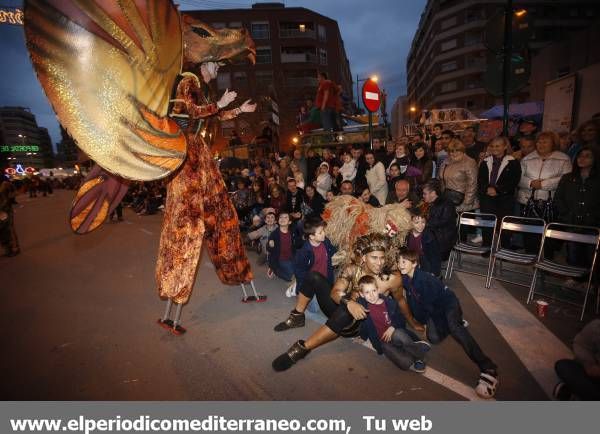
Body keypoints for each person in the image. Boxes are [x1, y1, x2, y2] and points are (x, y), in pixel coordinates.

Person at [272, 233, 424, 372]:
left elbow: (401, 300)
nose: (380, 262)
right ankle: (297, 316)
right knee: (314, 277)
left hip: (358, 323)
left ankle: (303, 348)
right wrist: (349, 302)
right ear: (364, 257)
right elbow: (335, 292)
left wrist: (412, 321)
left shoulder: (392, 277)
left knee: (345, 310)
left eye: (382, 258)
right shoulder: (351, 269)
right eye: (374, 257)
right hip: (343, 307)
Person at [397, 248, 499, 398]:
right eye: (398, 261)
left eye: (403, 261)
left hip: (448, 305)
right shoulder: (406, 278)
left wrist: (427, 324)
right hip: (435, 309)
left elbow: (433, 308)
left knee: (454, 328)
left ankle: (488, 367)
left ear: (414, 264)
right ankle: (455, 323)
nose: (400, 264)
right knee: (434, 338)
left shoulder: (424, 280)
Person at [357, 275, 430, 373]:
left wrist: (392, 327)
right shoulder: (363, 307)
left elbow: (401, 320)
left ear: (378, 290)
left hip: (395, 333)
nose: (371, 295)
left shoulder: (390, 303)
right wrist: (362, 336)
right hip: (383, 342)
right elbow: (365, 325)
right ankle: (416, 347)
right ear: (362, 294)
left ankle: (419, 356)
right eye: (367, 292)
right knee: (405, 364)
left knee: (399, 334)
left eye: (374, 291)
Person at [517, 131, 572, 253]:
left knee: (549, 233)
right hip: (527, 201)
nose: (541, 144)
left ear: (553, 143)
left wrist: (543, 184)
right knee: (529, 231)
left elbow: (566, 180)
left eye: (545, 142)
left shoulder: (563, 159)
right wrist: (531, 183)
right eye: (539, 141)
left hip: (551, 202)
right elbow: (518, 177)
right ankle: (530, 254)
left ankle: (546, 257)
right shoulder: (527, 158)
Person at [555, 147, 600, 280]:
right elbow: (559, 198)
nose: (582, 159)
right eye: (580, 156)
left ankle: (591, 281)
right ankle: (575, 279)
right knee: (573, 251)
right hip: (572, 220)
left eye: (587, 156)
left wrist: (593, 216)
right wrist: (567, 214)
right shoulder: (568, 178)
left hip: (593, 222)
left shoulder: (597, 179)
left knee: (591, 254)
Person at [477, 136, 521, 246]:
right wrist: (487, 188)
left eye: (498, 146)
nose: (494, 148)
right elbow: (480, 179)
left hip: (505, 198)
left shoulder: (513, 162)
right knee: (487, 223)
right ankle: (487, 246)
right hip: (487, 197)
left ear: (505, 146)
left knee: (504, 225)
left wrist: (497, 190)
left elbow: (513, 181)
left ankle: (504, 248)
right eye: (492, 146)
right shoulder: (485, 161)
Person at [287, 216, 337, 302]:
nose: (324, 233)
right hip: (310, 281)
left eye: (323, 231)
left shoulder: (326, 242)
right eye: (320, 232)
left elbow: (332, 251)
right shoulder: (304, 252)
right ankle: (296, 288)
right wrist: (302, 286)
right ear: (312, 236)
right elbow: (299, 271)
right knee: (314, 308)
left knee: (330, 301)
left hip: (325, 278)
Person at [553, 319, 600, 400]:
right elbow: (579, 344)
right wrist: (589, 364)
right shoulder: (596, 327)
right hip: (590, 370)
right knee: (563, 366)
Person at [422, 179, 457, 261]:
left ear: (433, 193)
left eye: (425, 194)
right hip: (433, 235)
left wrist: (423, 224)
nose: (423, 196)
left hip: (442, 240)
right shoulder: (430, 203)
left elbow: (442, 223)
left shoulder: (447, 204)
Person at [405, 208, 440, 277]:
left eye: (423, 222)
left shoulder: (429, 237)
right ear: (410, 222)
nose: (420, 225)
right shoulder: (407, 234)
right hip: (411, 259)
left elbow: (435, 257)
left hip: (425, 261)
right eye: (417, 222)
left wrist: (433, 272)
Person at [267, 211, 297, 282]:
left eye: (285, 217)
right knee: (290, 276)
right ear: (278, 220)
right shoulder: (274, 234)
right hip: (280, 259)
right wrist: (270, 245)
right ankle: (275, 270)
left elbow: (297, 244)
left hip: (291, 257)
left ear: (289, 222)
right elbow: (268, 249)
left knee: (299, 271)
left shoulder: (292, 232)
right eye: (281, 217)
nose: (282, 219)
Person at [0, 179, 20, 257]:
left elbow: (14, 193)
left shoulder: (6, 184)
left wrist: (7, 201)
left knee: (8, 229)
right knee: (2, 230)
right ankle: (7, 249)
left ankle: (14, 248)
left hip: (5, 211)